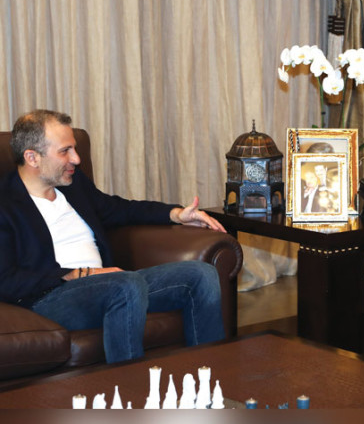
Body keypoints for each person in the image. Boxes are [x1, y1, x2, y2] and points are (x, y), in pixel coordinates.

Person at [0, 109, 228, 363]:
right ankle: (128, 386)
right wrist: (76, 274)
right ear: (32, 157)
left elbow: (120, 209)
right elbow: (6, 279)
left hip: (112, 285)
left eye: (75, 149)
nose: (76, 159)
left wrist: (176, 214)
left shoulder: (73, 185)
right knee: (125, 285)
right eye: (65, 151)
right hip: (51, 297)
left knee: (201, 275)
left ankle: (209, 377)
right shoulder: (6, 203)